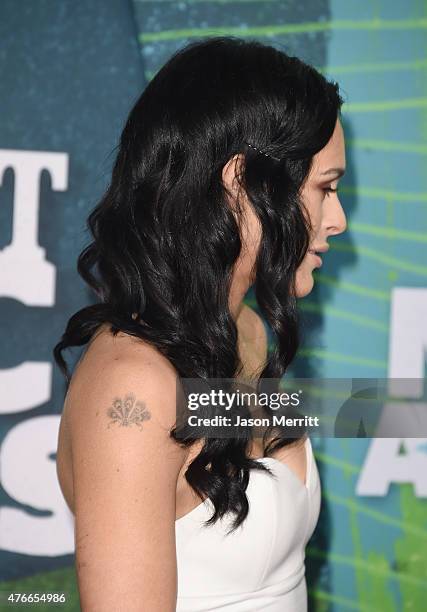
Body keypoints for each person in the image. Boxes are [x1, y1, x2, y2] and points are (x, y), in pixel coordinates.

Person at [54, 36, 347, 611]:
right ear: (241, 184)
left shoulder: (248, 333)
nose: (336, 219)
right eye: (326, 188)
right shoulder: (133, 385)